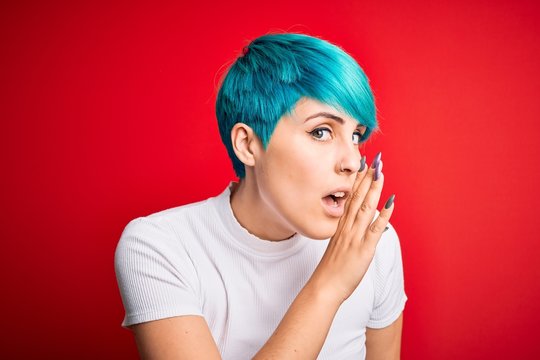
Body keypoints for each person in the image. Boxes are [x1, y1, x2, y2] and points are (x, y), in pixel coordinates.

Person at [115, 32, 406, 359]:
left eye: (356, 135)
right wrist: (329, 286)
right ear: (247, 145)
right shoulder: (160, 246)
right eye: (321, 131)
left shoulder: (375, 243)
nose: (353, 161)